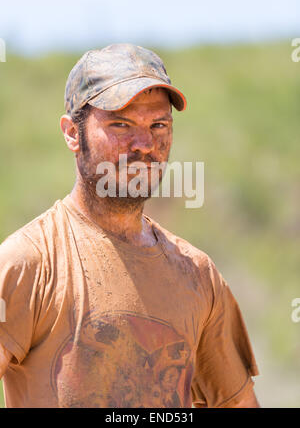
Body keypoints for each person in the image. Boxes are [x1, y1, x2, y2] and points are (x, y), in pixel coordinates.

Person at [0, 43, 260, 408]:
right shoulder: (28, 263)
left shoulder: (198, 275)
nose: (144, 144)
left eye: (159, 125)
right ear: (72, 134)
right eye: (121, 124)